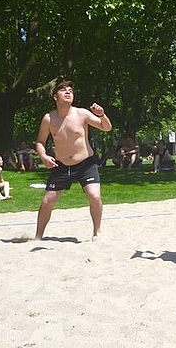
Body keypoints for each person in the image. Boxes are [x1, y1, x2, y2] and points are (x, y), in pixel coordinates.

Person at [34, 80, 112, 240]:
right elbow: (40, 142)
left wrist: (102, 115)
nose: (68, 92)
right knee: (48, 201)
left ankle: (97, 232)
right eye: (63, 90)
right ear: (55, 97)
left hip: (86, 164)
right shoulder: (49, 118)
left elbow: (107, 127)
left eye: (70, 90)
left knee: (94, 196)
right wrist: (43, 156)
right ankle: (38, 236)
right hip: (61, 165)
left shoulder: (82, 114)